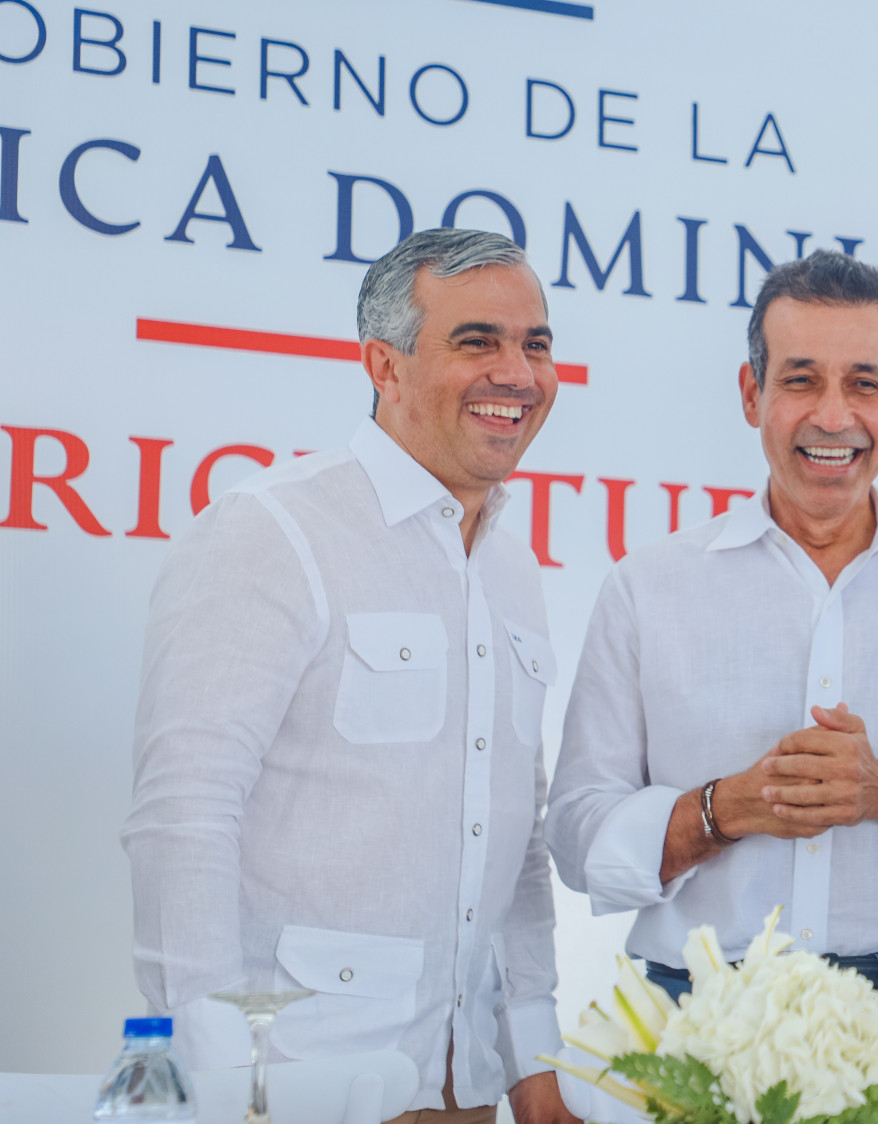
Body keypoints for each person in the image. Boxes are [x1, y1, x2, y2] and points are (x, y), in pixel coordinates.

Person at [547, 249, 878, 1047]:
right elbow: (576, 834)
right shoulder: (647, 588)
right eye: (801, 381)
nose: (834, 417)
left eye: (863, 384)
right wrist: (721, 812)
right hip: (696, 1023)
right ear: (751, 393)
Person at [121, 229, 578, 1124]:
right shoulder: (271, 529)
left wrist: (535, 1058)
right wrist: (223, 1085)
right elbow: (183, 815)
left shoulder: (513, 566)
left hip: (467, 1088)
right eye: (478, 341)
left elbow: (514, 839)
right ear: (384, 365)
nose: (518, 373)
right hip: (296, 1085)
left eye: (536, 344)